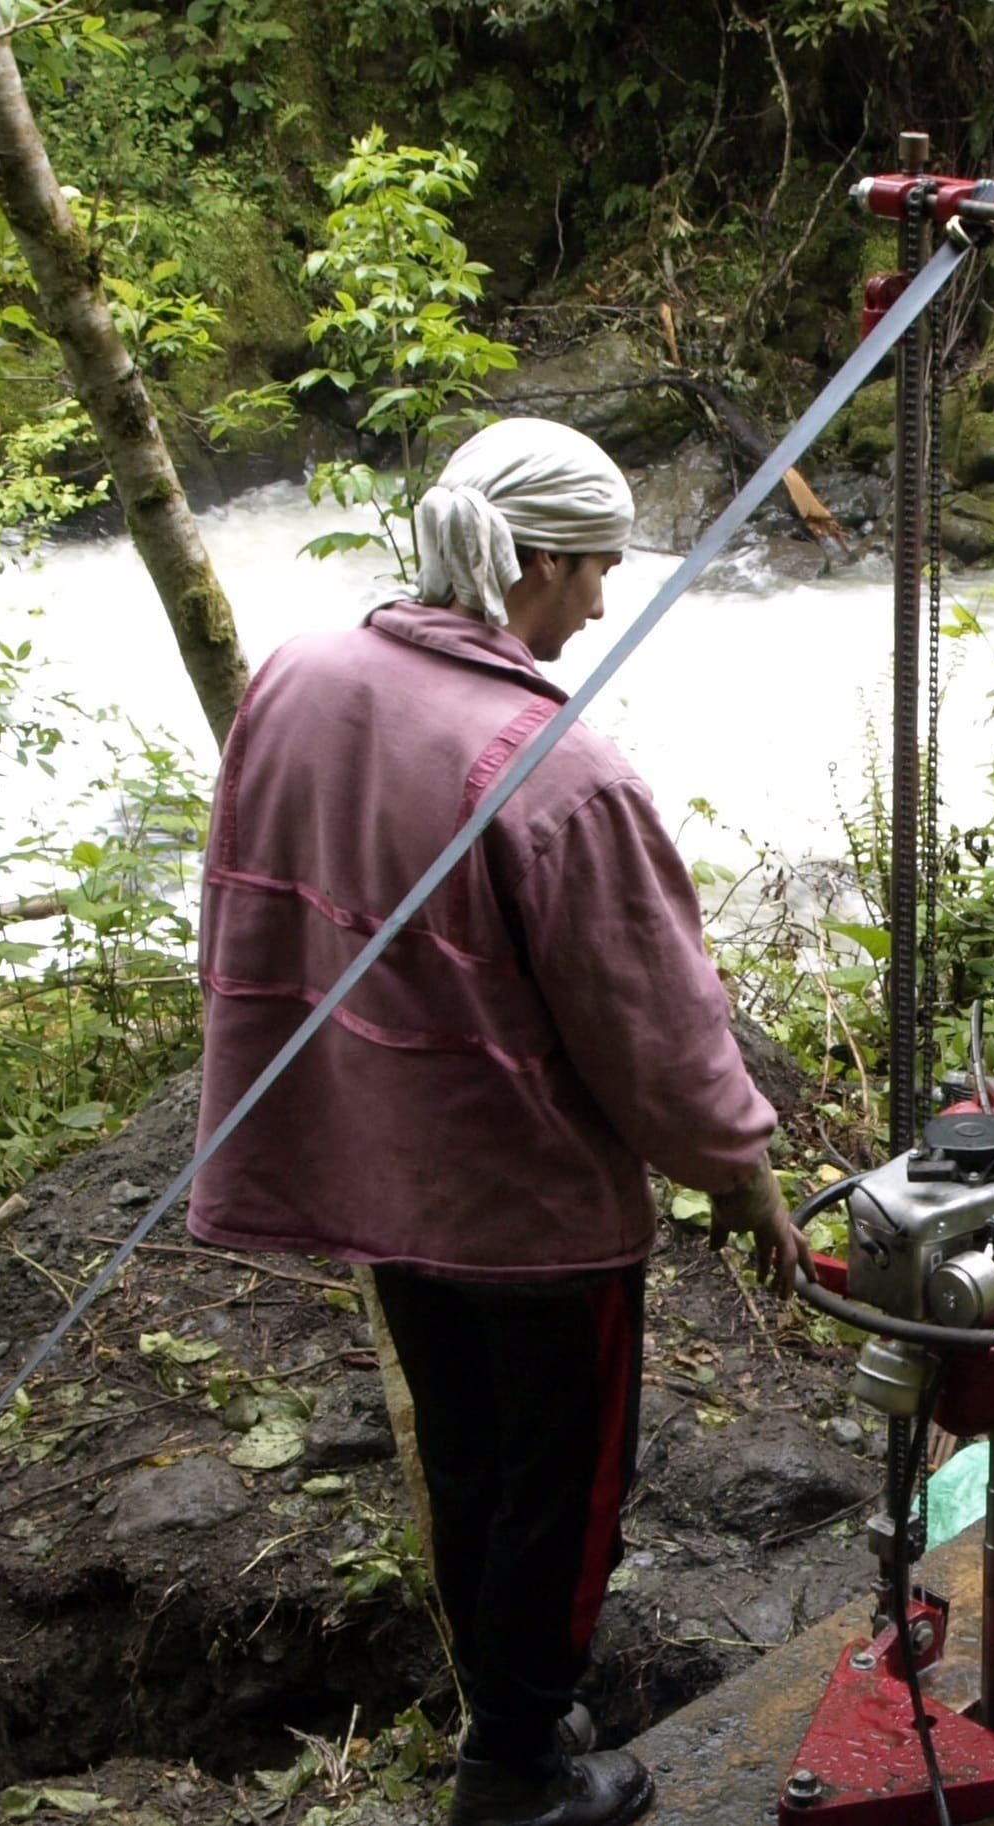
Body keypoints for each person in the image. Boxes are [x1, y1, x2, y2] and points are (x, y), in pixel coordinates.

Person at [187, 417, 802, 1826]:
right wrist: (740, 1173)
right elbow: (652, 1023)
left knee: (465, 1455)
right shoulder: (557, 771)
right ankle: (517, 1767)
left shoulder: (297, 676)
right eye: (596, 568)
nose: (599, 601)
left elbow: (243, 900)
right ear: (535, 562)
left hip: (374, 1167)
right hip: (530, 1207)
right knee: (563, 1487)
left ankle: (503, 1703)